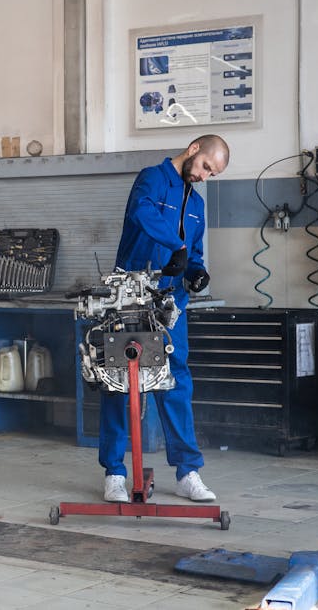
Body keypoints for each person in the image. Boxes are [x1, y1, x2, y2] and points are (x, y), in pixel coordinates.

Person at [100, 134, 230, 504]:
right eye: (206, 166)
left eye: (213, 173)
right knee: (118, 381)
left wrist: (197, 270)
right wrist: (177, 246)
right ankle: (114, 473)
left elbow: (196, 251)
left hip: (171, 302)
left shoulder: (198, 205)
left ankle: (188, 471)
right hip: (130, 295)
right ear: (193, 150)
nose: (205, 176)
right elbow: (143, 213)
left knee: (175, 380)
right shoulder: (151, 179)